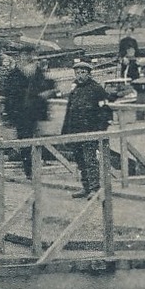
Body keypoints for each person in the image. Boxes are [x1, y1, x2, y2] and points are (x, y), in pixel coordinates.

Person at [60, 60, 113, 198]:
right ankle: (86, 187)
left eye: (83, 72)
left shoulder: (97, 89)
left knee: (90, 160)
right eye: (77, 73)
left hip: (90, 130)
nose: (80, 76)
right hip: (76, 130)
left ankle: (95, 188)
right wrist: (65, 130)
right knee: (80, 160)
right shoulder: (75, 90)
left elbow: (105, 110)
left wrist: (100, 129)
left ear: (89, 74)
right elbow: (68, 111)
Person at [0, 42, 54, 176]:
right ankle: (29, 171)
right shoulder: (15, 74)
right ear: (20, 56)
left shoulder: (37, 72)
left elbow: (47, 86)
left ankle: (36, 167)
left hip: (36, 112)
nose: (27, 57)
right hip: (21, 113)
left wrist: (47, 93)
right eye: (24, 55)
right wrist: (10, 113)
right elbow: (9, 94)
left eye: (29, 54)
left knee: (38, 140)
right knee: (25, 142)